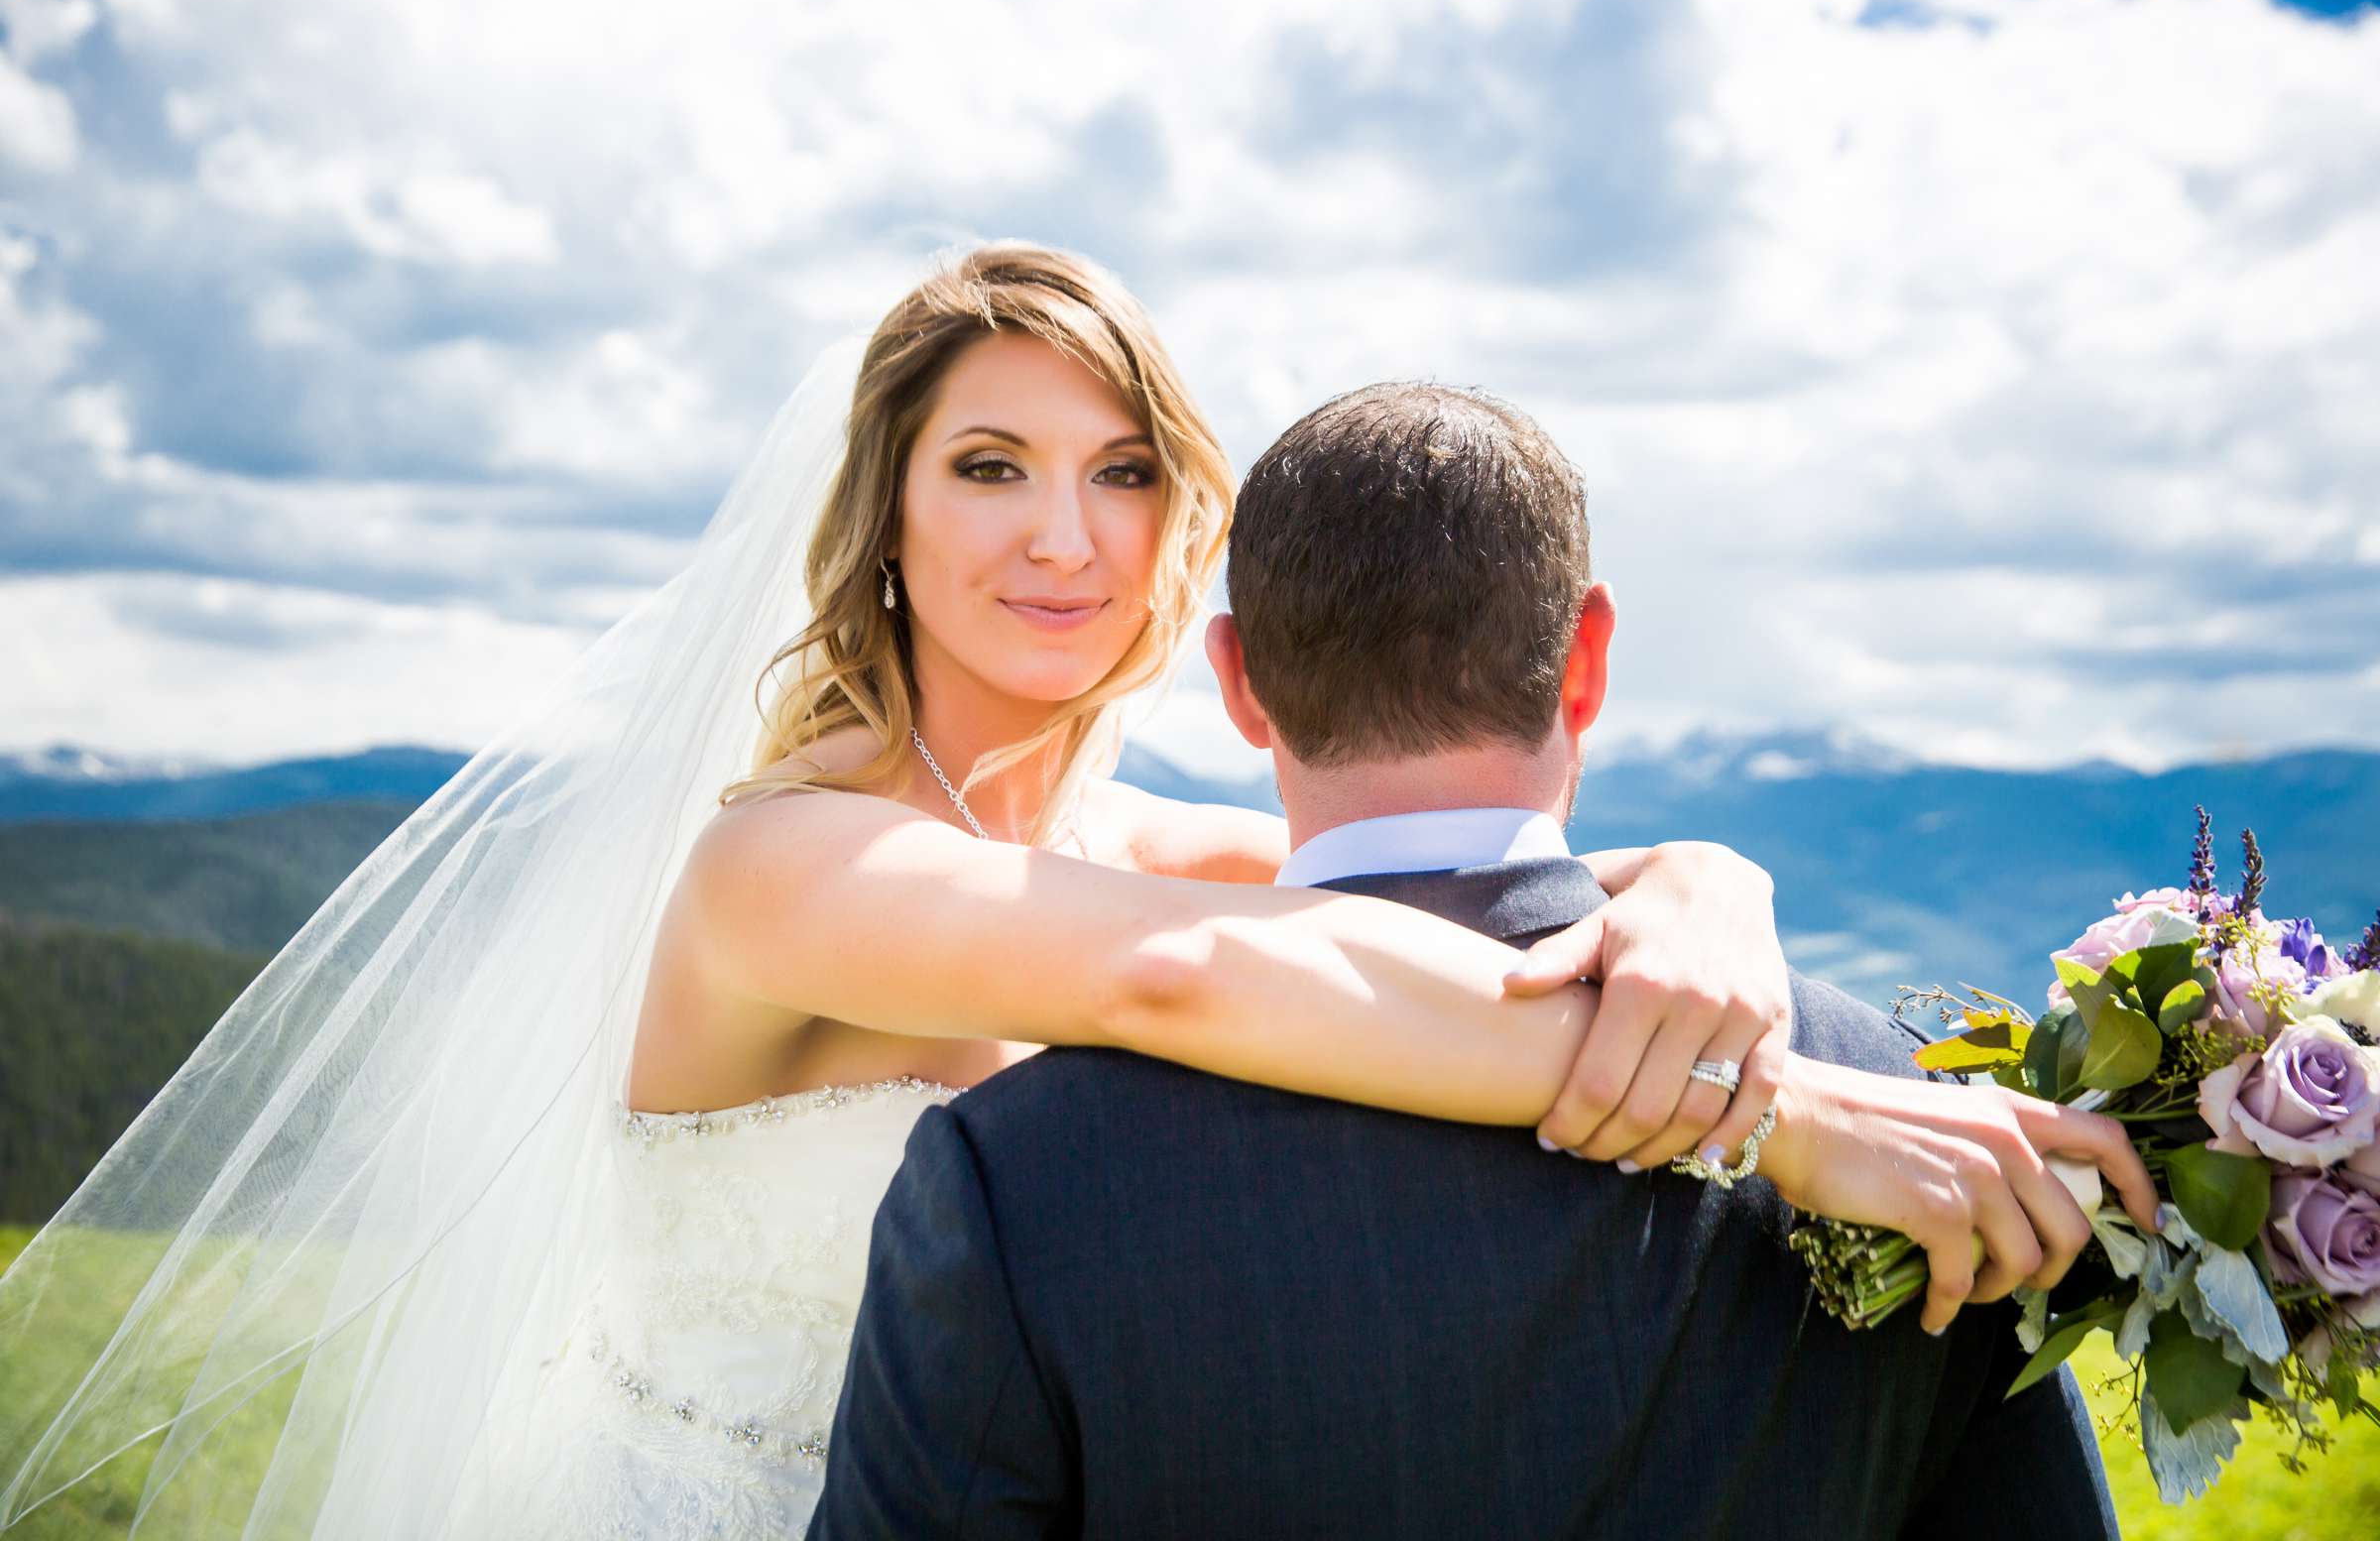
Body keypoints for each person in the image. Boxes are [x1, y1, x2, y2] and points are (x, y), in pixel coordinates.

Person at [0, 242, 1814, 1539]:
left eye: (1121, 472)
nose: (1064, 535)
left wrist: (1712, 887)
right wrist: (1785, 1127)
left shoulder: (1150, 848)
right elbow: (1184, 984)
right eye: (990, 468)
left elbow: (1462, 884)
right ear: (886, 517)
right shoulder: (787, 863)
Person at [809, 379, 2151, 1539]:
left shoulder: (1019, 1175)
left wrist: (1706, 875)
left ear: (1237, 683)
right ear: (1588, 662)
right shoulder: (1918, 1116)